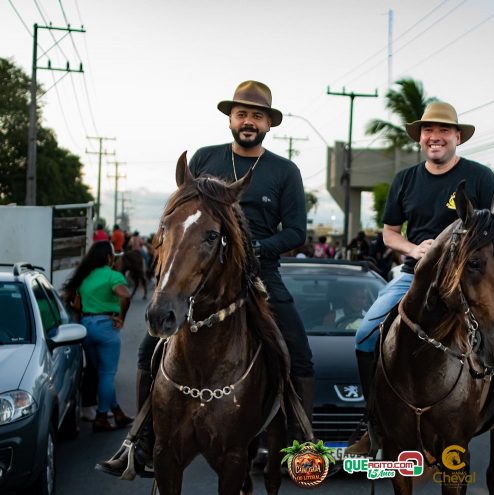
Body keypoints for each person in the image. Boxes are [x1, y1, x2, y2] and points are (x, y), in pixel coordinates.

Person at [97, 80, 313, 477]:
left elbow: (296, 232)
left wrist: (255, 249)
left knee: (296, 349)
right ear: (230, 119)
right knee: (150, 348)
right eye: (242, 114)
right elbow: (184, 216)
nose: (249, 121)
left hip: (259, 274)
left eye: (257, 116)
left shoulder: (285, 170)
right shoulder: (205, 158)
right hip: (201, 273)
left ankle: (301, 444)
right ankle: (139, 441)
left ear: (269, 124)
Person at [346, 101, 494, 458]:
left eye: (443, 131)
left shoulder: (480, 177)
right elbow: (389, 233)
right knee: (365, 335)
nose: (435, 137)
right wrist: (415, 249)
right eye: (428, 131)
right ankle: (370, 423)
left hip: (471, 279)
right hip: (413, 277)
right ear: (420, 139)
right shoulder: (405, 180)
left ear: (457, 137)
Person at [63, 241, 133, 432]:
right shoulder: (112, 276)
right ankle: (101, 417)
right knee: (107, 375)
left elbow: (70, 300)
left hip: (86, 328)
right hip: (106, 327)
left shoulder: (83, 277)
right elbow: (125, 295)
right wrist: (120, 317)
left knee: (100, 371)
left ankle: (116, 411)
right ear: (109, 257)